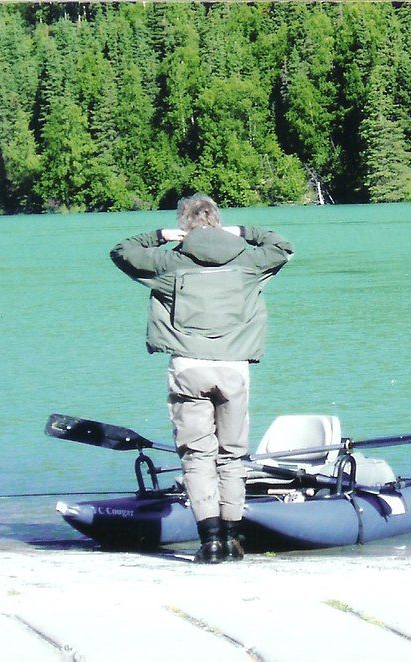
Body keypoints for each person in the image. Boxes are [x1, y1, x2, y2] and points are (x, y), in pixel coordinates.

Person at [110, 194, 294, 563]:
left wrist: (162, 235)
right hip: (234, 370)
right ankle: (233, 539)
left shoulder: (167, 260)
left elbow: (121, 250)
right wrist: (242, 231)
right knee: (232, 456)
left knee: (197, 457)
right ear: (218, 220)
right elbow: (283, 247)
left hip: (188, 370)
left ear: (184, 225)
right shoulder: (249, 259)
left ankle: (209, 542)